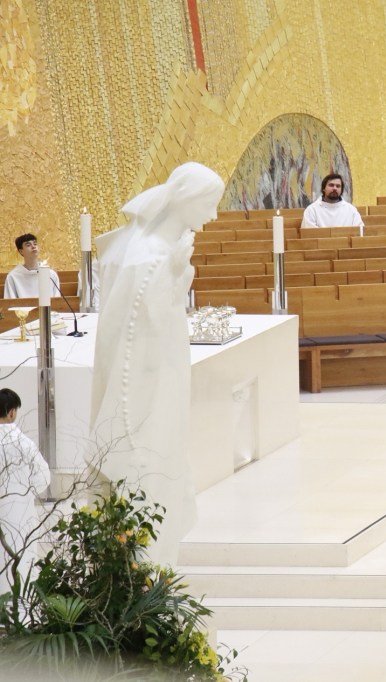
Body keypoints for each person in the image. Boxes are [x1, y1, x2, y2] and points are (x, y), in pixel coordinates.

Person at [91, 161, 225, 565]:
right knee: (149, 475)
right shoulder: (146, 257)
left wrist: (178, 270)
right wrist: (173, 271)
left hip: (164, 385)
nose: (213, 216)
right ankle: (146, 571)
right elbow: (138, 336)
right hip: (146, 399)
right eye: (209, 204)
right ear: (186, 199)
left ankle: (156, 571)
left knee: (163, 474)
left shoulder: (159, 251)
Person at [0, 388, 51, 596]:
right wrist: (26, 491)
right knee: (20, 563)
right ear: (12, 412)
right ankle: (20, 610)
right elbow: (44, 476)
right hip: (20, 515)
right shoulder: (24, 443)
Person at [3, 233, 41, 298]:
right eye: (28, 245)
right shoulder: (13, 276)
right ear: (21, 251)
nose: (33, 246)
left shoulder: (50, 274)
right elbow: (10, 302)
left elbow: (56, 301)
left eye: (35, 244)